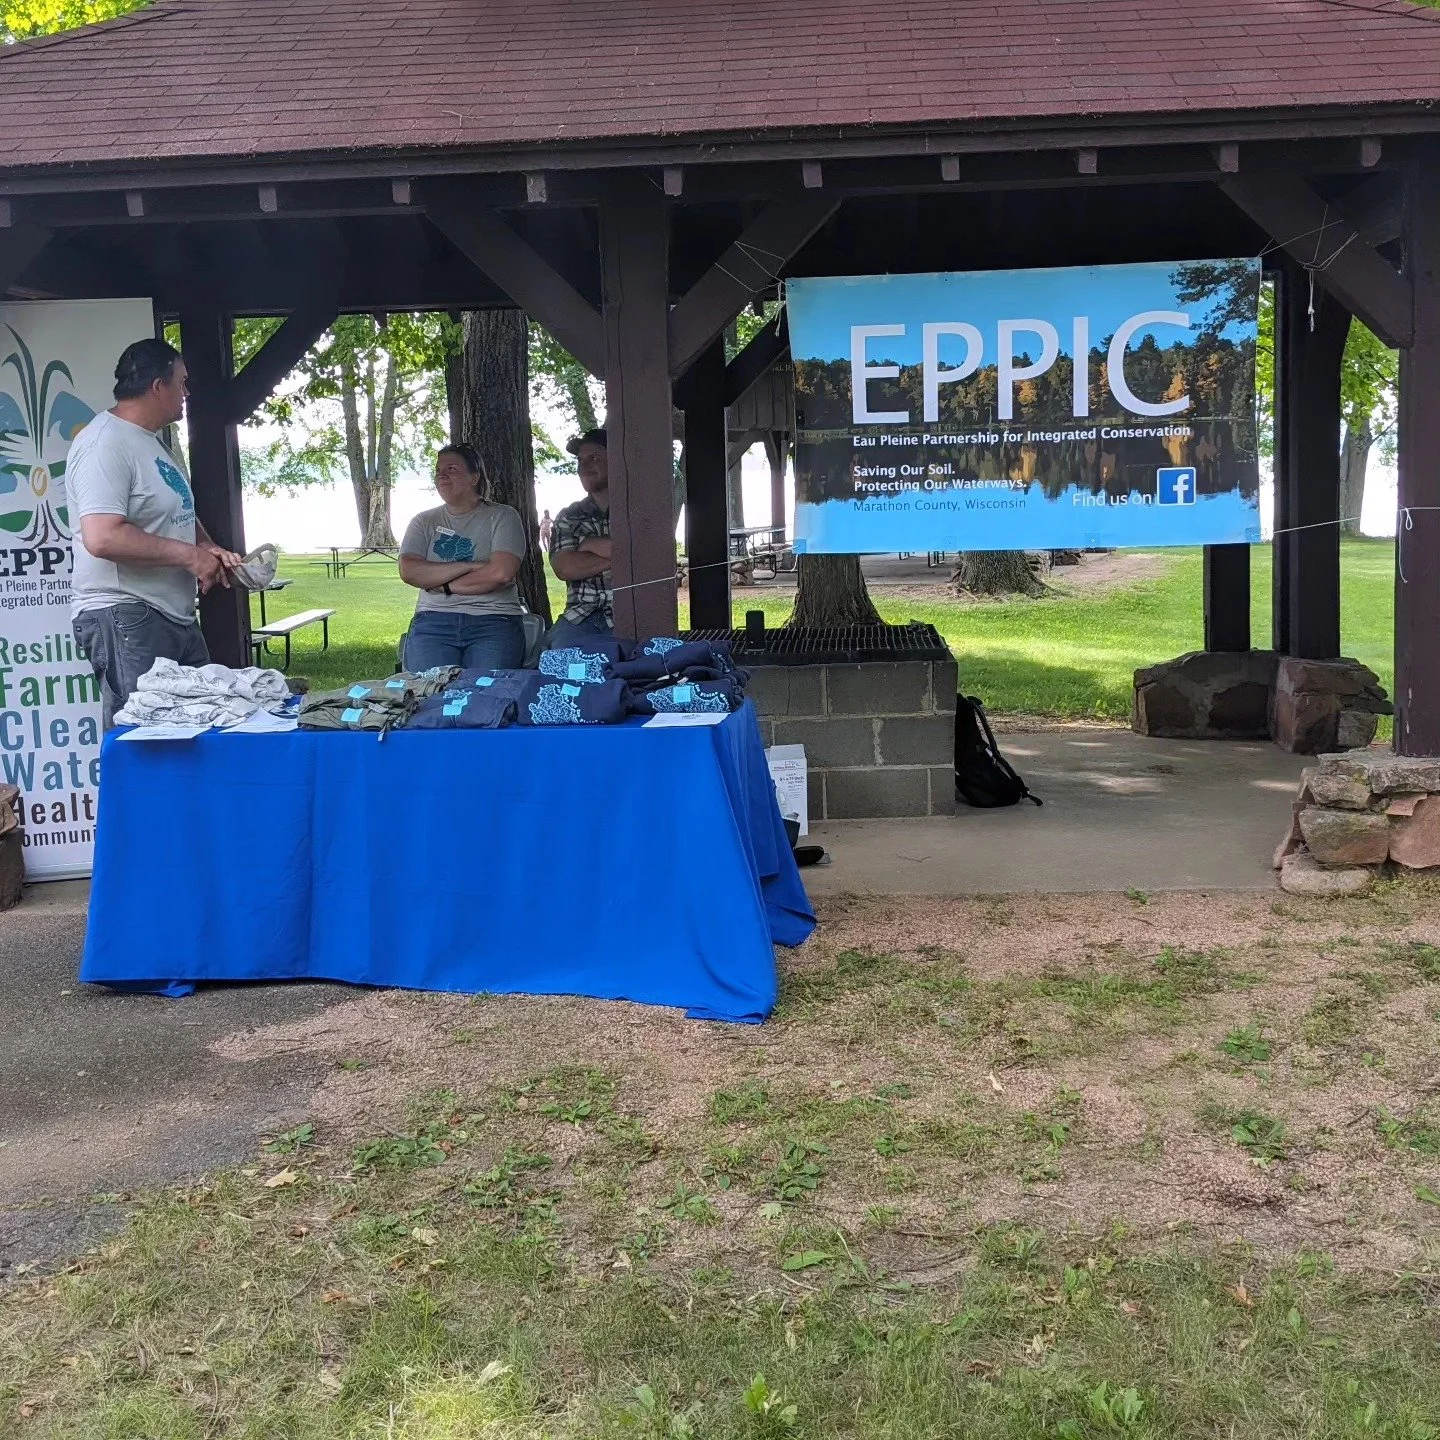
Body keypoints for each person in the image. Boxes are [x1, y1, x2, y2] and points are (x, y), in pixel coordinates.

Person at [69, 337, 242, 727]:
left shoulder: (154, 444)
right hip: (126, 614)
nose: (186, 392)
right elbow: (102, 536)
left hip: (172, 615)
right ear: (157, 386)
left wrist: (208, 549)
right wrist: (188, 557)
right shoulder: (104, 443)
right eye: (182, 382)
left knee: (201, 730)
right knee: (146, 744)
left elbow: (179, 507)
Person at [398, 442, 527, 670]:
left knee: (486, 692)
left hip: (494, 620)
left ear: (474, 478)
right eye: (438, 471)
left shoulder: (503, 516)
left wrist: (443, 586)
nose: (442, 476)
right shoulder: (423, 521)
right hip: (433, 621)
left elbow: (500, 573)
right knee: (428, 691)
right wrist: (473, 565)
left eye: (452, 469)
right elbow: (409, 571)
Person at [547, 428, 612, 647]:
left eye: (593, 458)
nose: (584, 466)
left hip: (631, 613)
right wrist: (623, 553)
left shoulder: (638, 511)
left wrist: (589, 545)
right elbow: (565, 568)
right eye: (580, 460)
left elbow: (653, 558)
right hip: (580, 617)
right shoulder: (569, 515)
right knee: (557, 663)